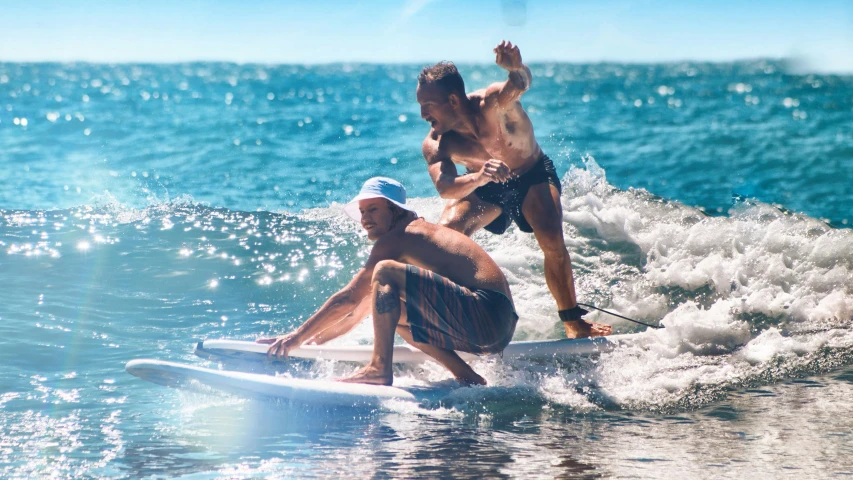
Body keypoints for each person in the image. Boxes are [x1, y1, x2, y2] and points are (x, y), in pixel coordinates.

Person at [416, 40, 612, 339]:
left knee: (549, 235)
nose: (422, 115)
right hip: (486, 184)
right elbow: (445, 187)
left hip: (531, 174)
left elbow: (519, 83)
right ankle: (452, 322)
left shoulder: (493, 102)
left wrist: (517, 68)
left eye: (427, 106)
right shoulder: (438, 142)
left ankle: (573, 322)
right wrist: (481, 177)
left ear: (453, 101)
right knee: (447, 231)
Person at [257, 177, 518, 386]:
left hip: (487, 312)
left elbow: (348, 298)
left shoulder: (400, 237)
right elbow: (359, 310)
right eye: (361, 211)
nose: (365, 219)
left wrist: (295, 338)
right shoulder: (415, 242)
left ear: (395, 210)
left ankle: (379, 368)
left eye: (373, 209)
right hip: (498, 331)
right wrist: (313, 342)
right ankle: (467, 377)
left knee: (383, 271)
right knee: (396, 315)